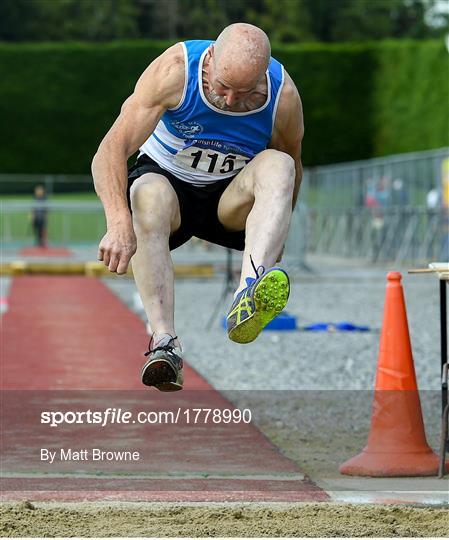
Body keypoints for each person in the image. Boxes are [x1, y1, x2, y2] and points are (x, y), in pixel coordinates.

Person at [92, 23, 304, 392]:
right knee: (147, 194)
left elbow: (294, 167)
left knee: (280, 164)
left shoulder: (282, 96)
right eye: (222, 87)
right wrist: (117, 221)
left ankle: (248, 293)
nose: (231, 100)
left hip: (229, 197)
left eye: (245, 93)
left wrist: (279, 228)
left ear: (262, 80)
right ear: (210, 63)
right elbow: (109, 150)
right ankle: (164, 343)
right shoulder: (176, 70)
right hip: (169, 184)